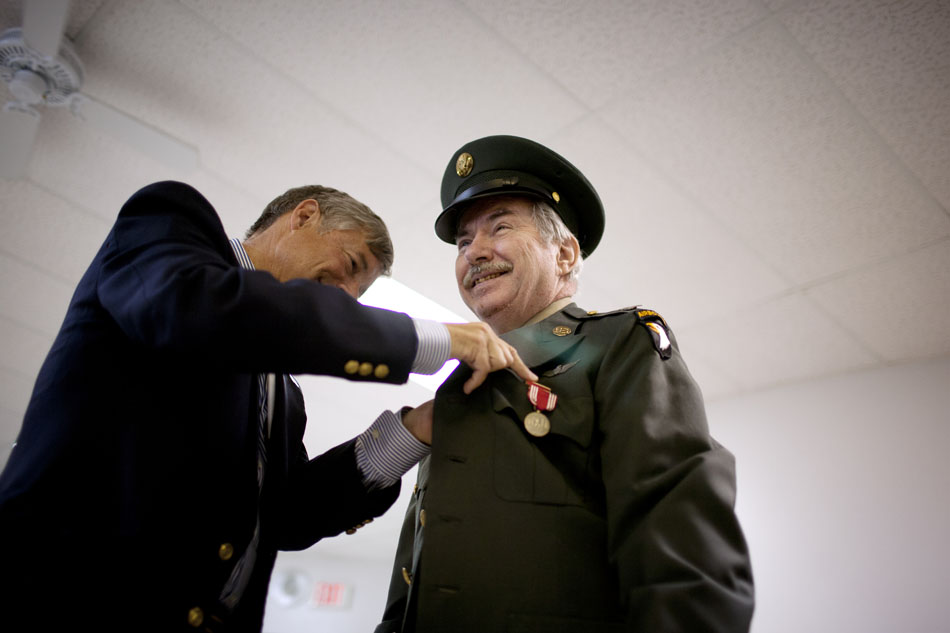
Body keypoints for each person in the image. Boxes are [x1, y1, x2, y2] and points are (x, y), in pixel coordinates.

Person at [0, 179, 535, 633]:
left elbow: (288, 516)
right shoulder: (169, 220)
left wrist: (417, 429)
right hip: (61, 596)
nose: (347, 294)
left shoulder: (285, 396)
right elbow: (193, 310)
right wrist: (434, 340)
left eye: (360, 290)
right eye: (350, 265)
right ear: (304, 216)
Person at [376, 135, 755, 632]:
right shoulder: (456, 385)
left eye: (500, 227)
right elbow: (416, 570)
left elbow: (680, 550)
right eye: (464, 241)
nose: (475, 252)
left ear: (564, 253)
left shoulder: (619, 344)